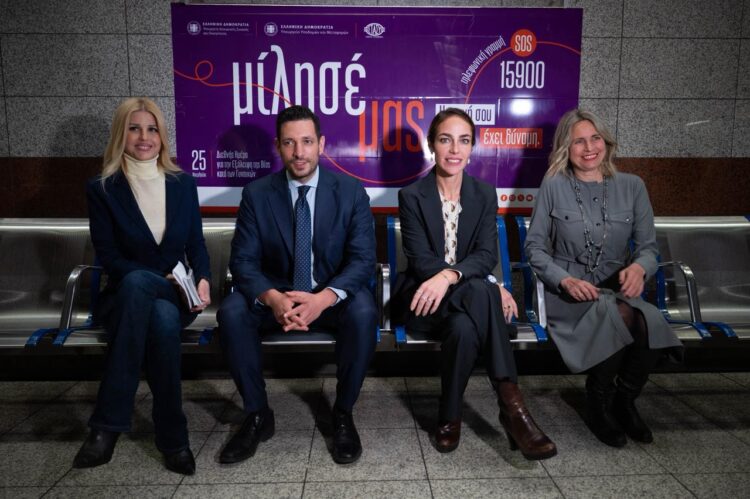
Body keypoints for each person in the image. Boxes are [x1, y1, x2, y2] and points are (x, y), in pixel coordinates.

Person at [217, 105, 377, 465]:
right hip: (278, 298)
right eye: (289, 143)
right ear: (278, 146)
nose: (299, 152)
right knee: (231, 311)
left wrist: (323, 299)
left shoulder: (350, 191)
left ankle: (343, 412)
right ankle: (257, 414)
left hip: (328, 298)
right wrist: (273, 298)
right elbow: (242, 261)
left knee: (364, 310)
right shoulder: (257, 194)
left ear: (321, 144)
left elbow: (363, 259)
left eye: (306, 141)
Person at [393, 108, 556, 459]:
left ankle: (449, 416)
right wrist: (485, 285)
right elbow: (421, 260)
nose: (455, 149)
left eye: (464, 141)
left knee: (464, 328)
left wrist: (452, 275)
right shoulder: (412, 196)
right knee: (481, 291)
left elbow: (485, 254)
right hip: (424, 300)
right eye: (446, 139)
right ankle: (513, 407)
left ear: (471, 148)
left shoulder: (483, 193)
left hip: (465, 302)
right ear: (431, 144)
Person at [525, 109, 683, 447]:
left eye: (595, 138)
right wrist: (564, 280)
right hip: (569, 295)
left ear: (606, 142)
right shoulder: (554, 185)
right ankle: (597, 402)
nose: (589, 148)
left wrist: (640, 268)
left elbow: (648, 249)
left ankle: (624, 400)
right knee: (620, 316)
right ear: (566, 148)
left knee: (648, 318)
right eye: (578, 141)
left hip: (617, 289)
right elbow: (534, 249)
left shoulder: (632, 186)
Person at [74, 98, 211, 475]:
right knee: (160, 317)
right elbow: (109, 256)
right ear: (121, 134)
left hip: (176, 293)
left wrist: (202, 278)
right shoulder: (102, 188)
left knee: (155, 299)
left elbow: (196, 243)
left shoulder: (182, 184)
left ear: (162, 136)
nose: (144, 137)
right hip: (125, 297)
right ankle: (174, 439)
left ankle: (106, 427)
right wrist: (154, 277)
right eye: (134, 128)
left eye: (152, 129)